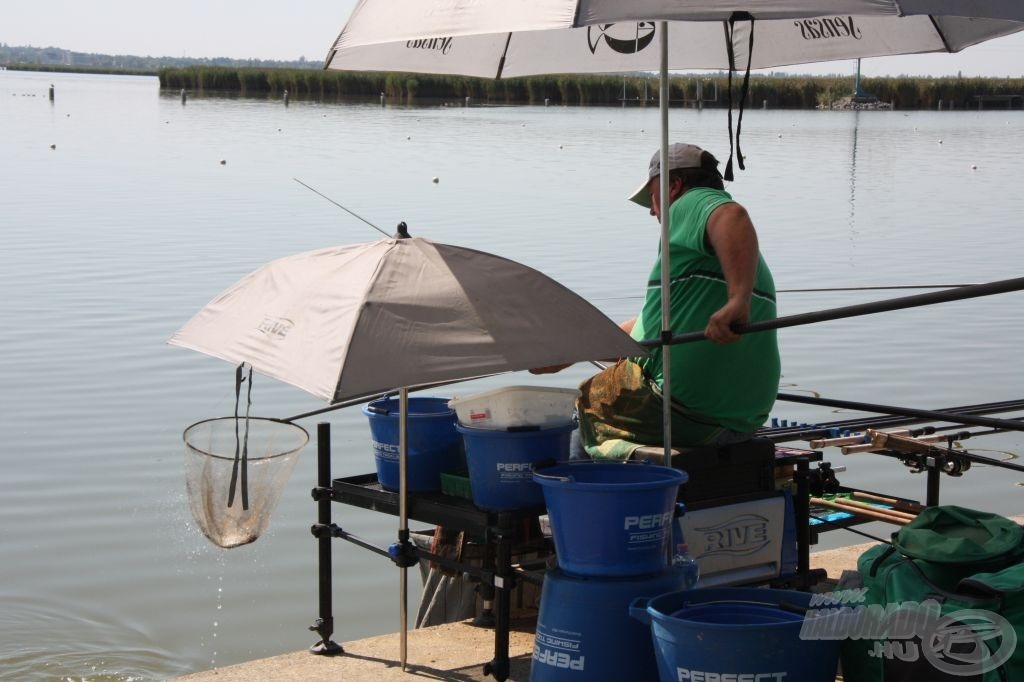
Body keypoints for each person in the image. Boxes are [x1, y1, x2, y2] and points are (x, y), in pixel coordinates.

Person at [534, 142, 780, 460]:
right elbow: (647, 332)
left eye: (652, 197)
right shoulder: (723, 263)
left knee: (589, 402)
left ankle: (578, 504)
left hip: (686, 408)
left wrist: (738, 301)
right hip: (744, 417)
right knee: (608, 394)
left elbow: (732, 213)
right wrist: (574, 349)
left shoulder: (689, 203)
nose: (652, 211)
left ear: (672, 186)